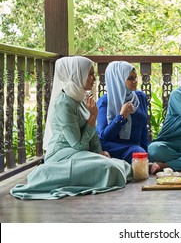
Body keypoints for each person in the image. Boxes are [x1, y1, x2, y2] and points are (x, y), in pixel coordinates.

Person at [10, 56, 131, 200]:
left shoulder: (81, 97)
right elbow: (78, 145)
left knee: (120, 165)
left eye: (94, 74)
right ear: (77, 75)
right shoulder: (64, 104)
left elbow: (92, 135)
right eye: (90, 74)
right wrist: (93, 117)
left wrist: (99, 152)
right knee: (109, 168)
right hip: (62, 155)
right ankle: (49, 172)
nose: (94, 78)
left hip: (79, 152)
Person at [96, 61, 148, 164]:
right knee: (137, 153)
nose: (135, 81)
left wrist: (146, 155)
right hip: (113, 146)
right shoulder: (105, 101)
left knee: (143, 154)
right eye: (130, 78)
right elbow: (104, 135)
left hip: (134, 146)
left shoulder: (139, 98)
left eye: (135, 77)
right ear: (118, 80)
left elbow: (143, 129)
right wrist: (121, 117)